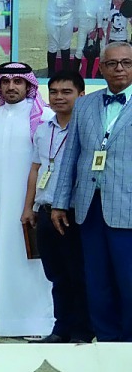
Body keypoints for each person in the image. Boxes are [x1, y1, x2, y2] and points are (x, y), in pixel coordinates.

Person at [51, 42, 132, 342]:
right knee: (96, 282)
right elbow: (70, 155)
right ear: (101, 67)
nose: (119, 69)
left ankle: (127, 348)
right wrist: (59, 203)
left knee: (128, 280)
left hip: (127, 208)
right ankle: (107, 344)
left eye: (126, 63)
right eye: (112, 64)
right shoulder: (85, 105)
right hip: (89, 209)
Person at [0, 62, 54, 339]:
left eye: (17, 82)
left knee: (32, 261)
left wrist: (37, 204)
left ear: (29, 85)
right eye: (6, 82)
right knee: (0, 257)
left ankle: (36, 322)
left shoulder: (44, 117)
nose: (11, 87)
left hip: (31, 206)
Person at [22, 70, 92, 344]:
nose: (59, 97)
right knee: (56, 275)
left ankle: (83, 331)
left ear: (81, 95)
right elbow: (35, 170)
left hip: (73, 212)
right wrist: (28, 208)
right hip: (45, 208)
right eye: (54, 92)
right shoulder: (43, 129)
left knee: (78, 274)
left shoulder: (88, 129)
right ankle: (61, 329)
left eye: (67, 92)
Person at [26, 0, 82, 76]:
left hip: (68, 18)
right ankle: (51, 73)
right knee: (52, 45)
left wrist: (76, 23)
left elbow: (78, 5)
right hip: (52, 17)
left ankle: (66, 74)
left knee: (65, 45)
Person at [74, 0, 109, 78]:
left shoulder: (98, 0)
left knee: (92, 51)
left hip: (93, 26)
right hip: (82, 25)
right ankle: (75, 74)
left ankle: (89, 75)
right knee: (79, 49)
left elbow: (99, 15)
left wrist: (96, 30)